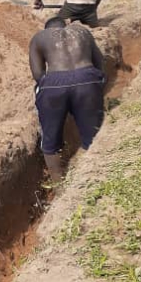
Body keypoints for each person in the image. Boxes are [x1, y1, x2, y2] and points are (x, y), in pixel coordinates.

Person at [29, 16, 105, 185]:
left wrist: (53, 89)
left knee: (49, 142)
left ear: (46, 28)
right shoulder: (83, 32)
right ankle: (94, 179)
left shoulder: (39, 37)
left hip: (54, 84)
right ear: (65, 25)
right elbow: (100, 64)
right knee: (94, 135)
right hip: (87, 78)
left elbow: (38, 75)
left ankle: (58, 186)